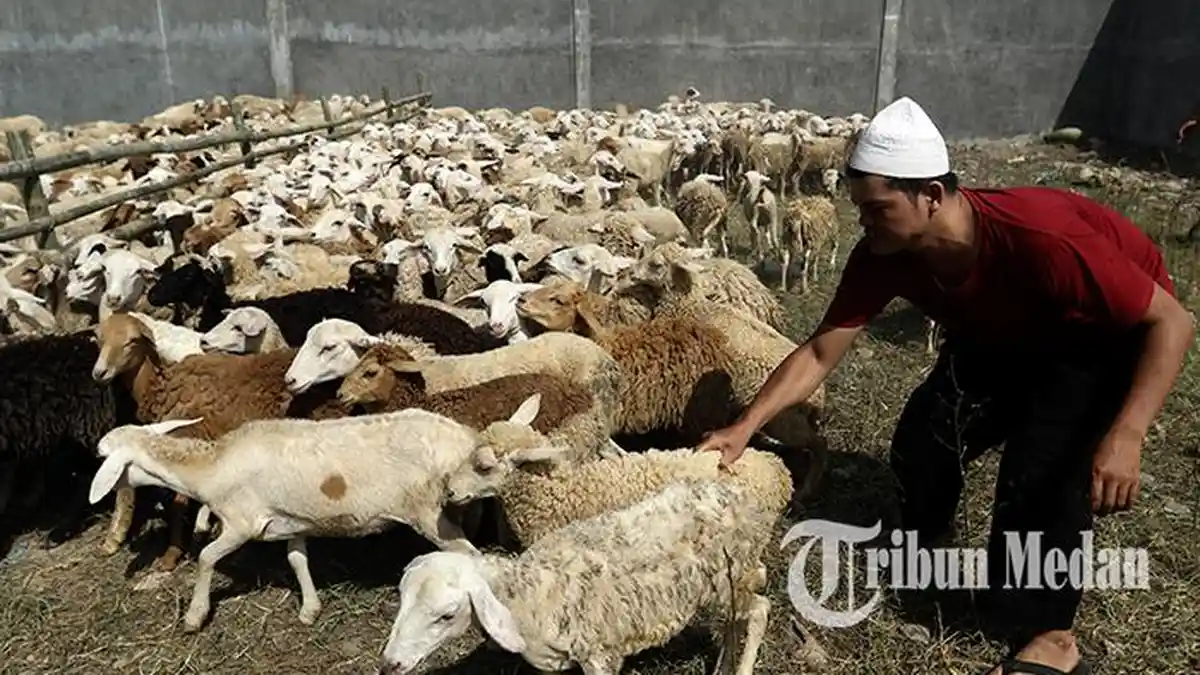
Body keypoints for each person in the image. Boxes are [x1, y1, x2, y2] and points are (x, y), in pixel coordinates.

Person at [695, 97, 1195, 675]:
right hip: (1000, 332)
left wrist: (1128, 432)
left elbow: (1172, 322)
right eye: (860, 209)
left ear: (930, 195)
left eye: (877, 208)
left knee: (1041, 473)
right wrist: (743, 428)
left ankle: (1050, 636)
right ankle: (929, 545)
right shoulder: (886, 253)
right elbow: (819, 348)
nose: (865, 222)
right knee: (926, 438)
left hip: (1093, 339)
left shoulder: (1042, 239)